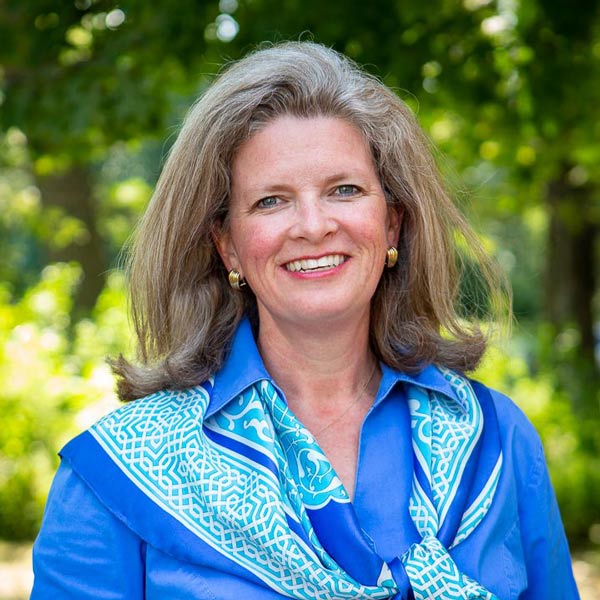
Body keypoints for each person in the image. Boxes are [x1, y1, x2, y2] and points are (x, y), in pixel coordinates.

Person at [31, 42, 579, 600]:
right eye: (271, 201)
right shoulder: (118, 474)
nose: (314, 226)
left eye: (344, 190)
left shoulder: (497, 440)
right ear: (228, 247)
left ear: (391, 226)